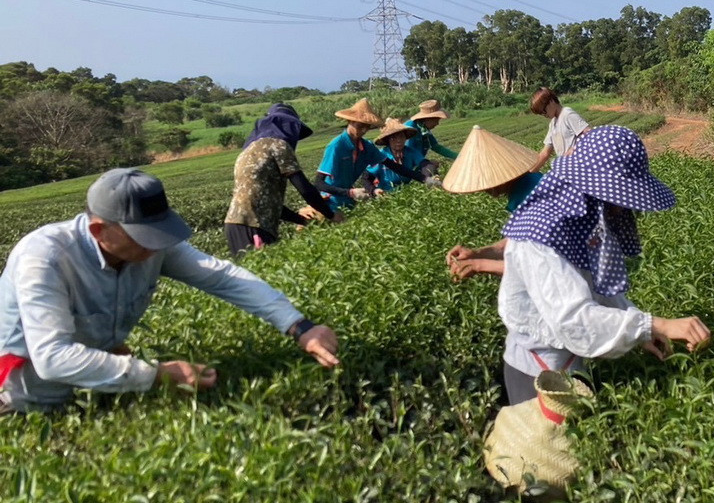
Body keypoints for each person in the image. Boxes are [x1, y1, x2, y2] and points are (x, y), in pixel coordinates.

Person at [494, 124, 710, 503]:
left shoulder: (574, 212)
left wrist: (637, 331)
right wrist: (655, 325)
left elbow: (599, 293)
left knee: (570, 486)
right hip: (539, 373)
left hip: (569, 366)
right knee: (562, 494)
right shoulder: (543, 232)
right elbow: (574, 320)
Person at [0, 169, 341, 415]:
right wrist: (158, 374)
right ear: (99, 229)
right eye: (143, 237)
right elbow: (52, 358)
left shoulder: (151, 247)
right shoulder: (44, 258)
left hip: (103, 388)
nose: (155, 247)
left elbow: (221, 277)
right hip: (24, 401)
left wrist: (300, 326)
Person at [223, 103, 344, 255]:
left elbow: (267, 202)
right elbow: (304, 188)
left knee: (252, 275)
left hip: (235, 225)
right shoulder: (278, 145)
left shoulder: (248, 151)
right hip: (255, 226)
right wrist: (331, 215)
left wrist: (302, 220)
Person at [441, 126, 543, 281]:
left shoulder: (533, 200)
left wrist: (478, 265)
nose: (484, 188)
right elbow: (517, 243)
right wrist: (476, 253)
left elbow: (538, 265)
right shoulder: (531, 183)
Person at [315, 98, 429, 210]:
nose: (364, 131)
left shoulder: (366, 147)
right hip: (329, 201)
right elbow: (319, 183)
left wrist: (426, 179)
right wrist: (350, 192)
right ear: (350, 121)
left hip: (347, 201)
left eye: (367, 127)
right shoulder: (336, 146)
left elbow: (395, 167)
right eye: (360, 126)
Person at [528, 87, 591, 172]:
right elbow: (545, 153)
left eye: (544, 110)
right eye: (541, 113)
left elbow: (588, 133)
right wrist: (530, 171)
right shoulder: (553, 123)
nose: (544, 114)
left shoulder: (567, 114)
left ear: (551, 101)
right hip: (566, 169)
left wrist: (573, 150)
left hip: (578, 168)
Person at [362, 117, 422, 194]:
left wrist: (431, 175)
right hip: (387, 195)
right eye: (394, 138)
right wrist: (374, 190)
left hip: (407, 193)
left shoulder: (410, 152)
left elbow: (424, 163)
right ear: (388, 140)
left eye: (401, 136)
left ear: (405, 138)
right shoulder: (381, 156)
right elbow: (366, 177)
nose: (399, 140)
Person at [403, 99, 457, 181]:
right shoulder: (411, 128)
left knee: (431, 167)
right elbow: (409, 153)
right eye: (436, 120)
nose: (437, 123)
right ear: (427, 118)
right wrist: (426, 163)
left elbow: (436, 147)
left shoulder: (424, 130)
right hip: (405, 167)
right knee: (430, 168)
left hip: (417, 163)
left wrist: (458, 157)